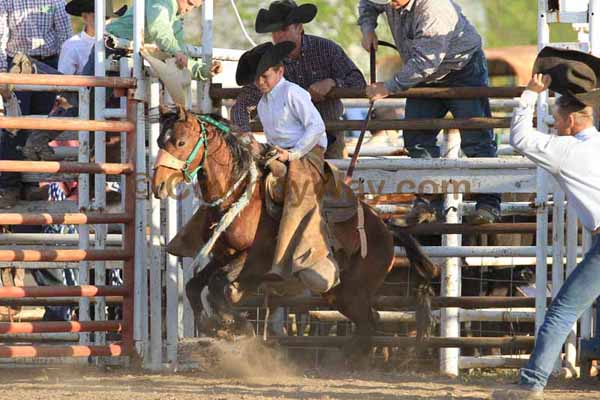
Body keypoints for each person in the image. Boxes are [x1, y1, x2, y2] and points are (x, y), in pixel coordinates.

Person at [492, 47, 600, 400]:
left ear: (572, 119)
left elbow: (520, 139)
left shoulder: (566, 151)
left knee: (563, 311)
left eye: (556, 117)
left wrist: (528, 96)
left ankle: (531, 384)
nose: (554, 123)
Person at [358, 0, 501, 224]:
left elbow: (426, 63)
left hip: (461, 69)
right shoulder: (391, 2)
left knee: (477, 137)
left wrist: (388, 86)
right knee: (416, 138)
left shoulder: (434, 8)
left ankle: (489, 204)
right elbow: (367, 3)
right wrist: (368, 28)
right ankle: (430, 202)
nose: (390, 4)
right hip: (423, 71)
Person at [235, 41, 339, 294]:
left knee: (296, 190)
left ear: (280, 71)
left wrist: (293, 154)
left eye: (265, 76)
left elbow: (316, 127)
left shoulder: (293, 93)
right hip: (280, 154)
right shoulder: (262, 103)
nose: (261, 82)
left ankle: (282, 263)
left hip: (308, 153)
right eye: (257, 79)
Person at [231, 0, 366, 159]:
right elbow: (242, 105)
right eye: (275, 32)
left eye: (284, 29)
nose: (279, 36)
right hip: (286, 144)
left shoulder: (326, 49)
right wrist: (246, 137)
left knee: (332, 176)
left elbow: (358, 81)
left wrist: (333, 83)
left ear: (299, 27)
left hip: (329, 134)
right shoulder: (269, 63)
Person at [0, 0, 73, 207]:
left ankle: (29, 181)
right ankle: (10, 185)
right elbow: (1, 36)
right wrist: (3, 75)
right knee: (15, 126)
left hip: (47, 64)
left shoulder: (54, 1)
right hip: (17, 65)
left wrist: (64, 80)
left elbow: (64, 36)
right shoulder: (8, 1)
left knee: (39, 125)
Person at [102, 0, 217, 81]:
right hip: (109, 48)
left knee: (105, 103)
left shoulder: (174, 17)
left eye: (194, 7)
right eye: (189, 3)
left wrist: (203, 70)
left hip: (123, 51)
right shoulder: (162, 3)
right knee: (94, 97)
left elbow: (180, 51)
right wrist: (177, 52)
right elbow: (159, 28)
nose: (189, 9)